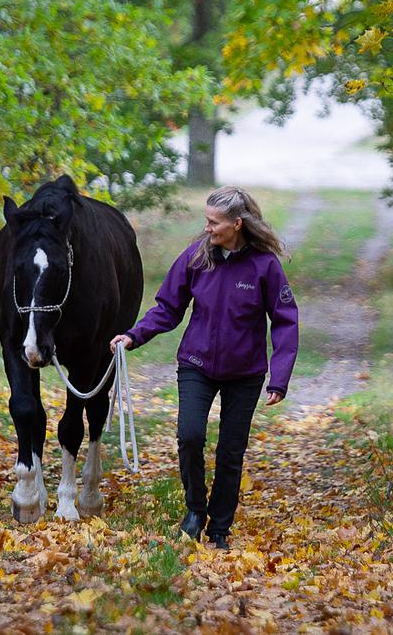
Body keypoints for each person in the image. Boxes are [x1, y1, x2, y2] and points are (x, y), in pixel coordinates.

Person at [110, 186, 299, 550]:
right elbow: (168, 307)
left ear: (237, 224)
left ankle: (220, 528)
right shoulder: (197, 257)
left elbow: (285, 320)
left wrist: (280, 377)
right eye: (206, 220)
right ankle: (195, 509)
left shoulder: (264, 266)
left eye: (214, 222)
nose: (207, 228)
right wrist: (134, 336)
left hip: (245, 373)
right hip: (197, 364)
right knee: (191, 435)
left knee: (231, 451)